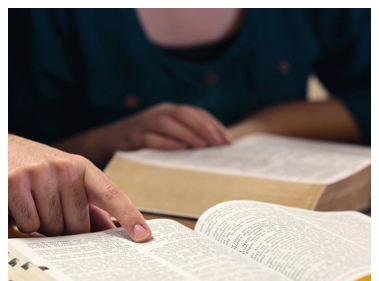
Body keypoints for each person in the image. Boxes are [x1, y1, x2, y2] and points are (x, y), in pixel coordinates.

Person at [8, 9, 371, 237]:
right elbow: (21, 145)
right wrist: (110, 139)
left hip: (291, 225)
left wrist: (264, 125)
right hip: (91, 228)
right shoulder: (39, 18)